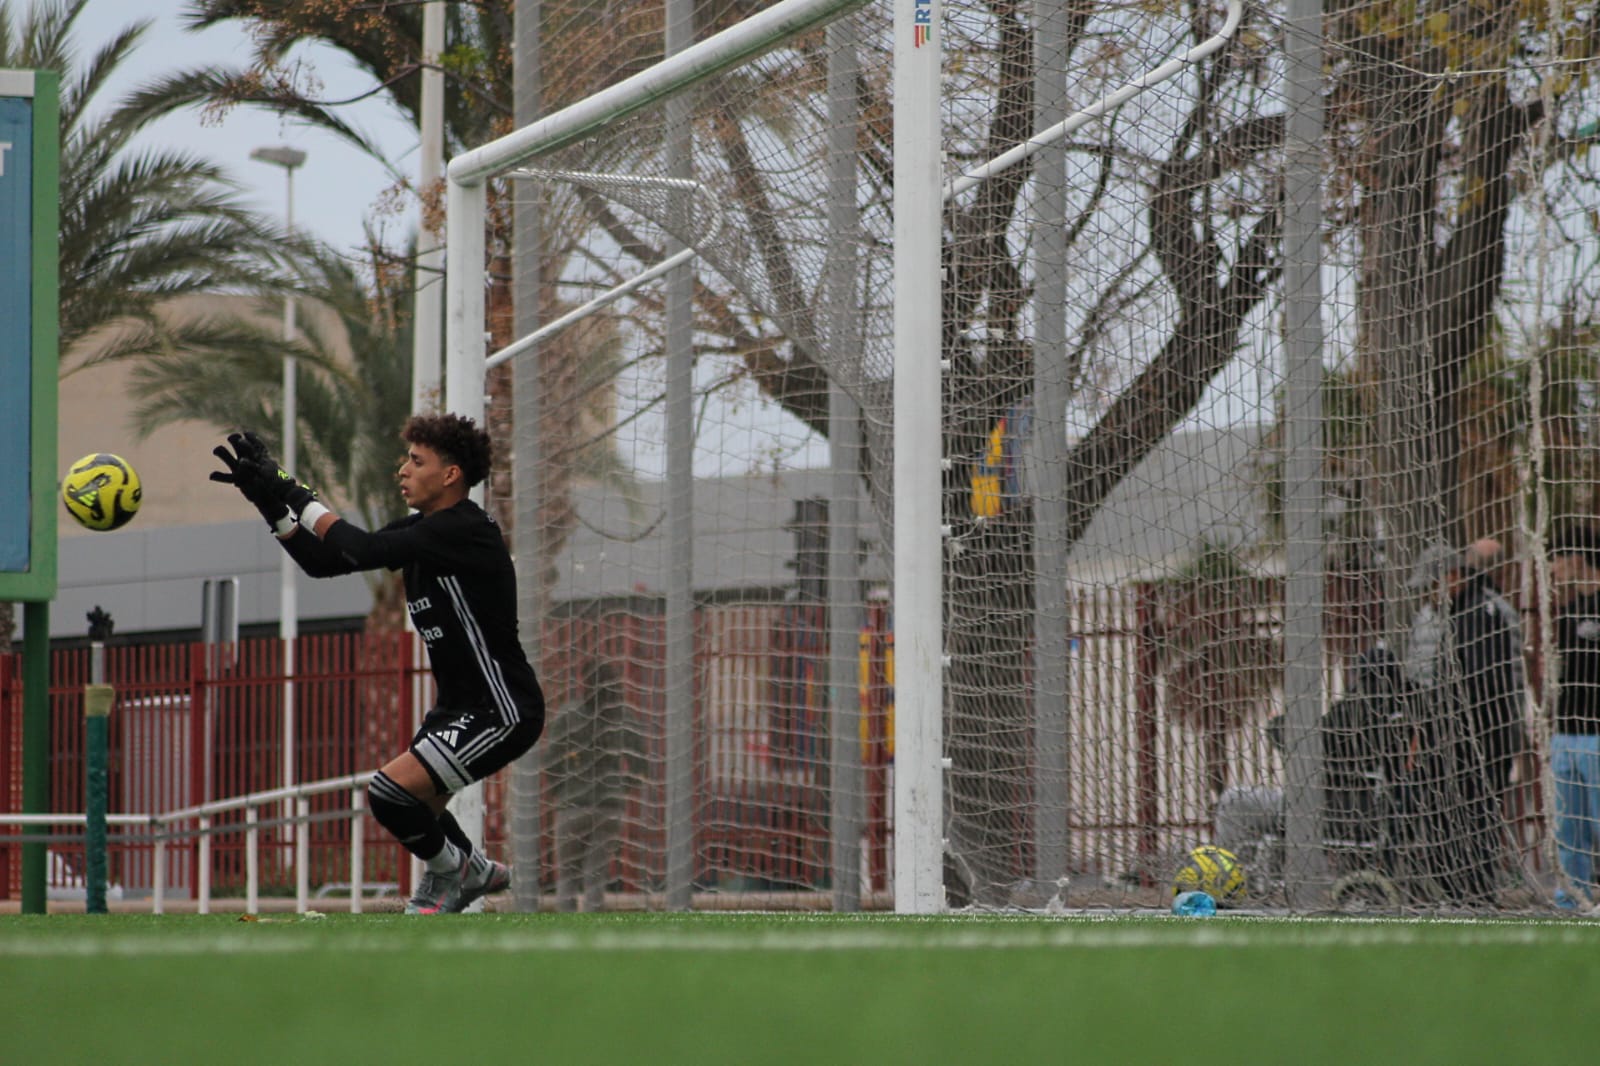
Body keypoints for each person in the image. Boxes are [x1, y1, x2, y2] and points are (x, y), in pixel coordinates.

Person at [210, 418, 545, 914]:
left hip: (503, 709)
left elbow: (359, 547)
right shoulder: (422, 532)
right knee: (409, 803)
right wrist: (269, 505)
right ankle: (467, 871)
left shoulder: (465, 529)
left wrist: (286, 485)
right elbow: (326, 561)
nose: (402, 469)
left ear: (450, 474)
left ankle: (457, 871)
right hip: (460, 708)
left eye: (416, 460)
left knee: (388, 792)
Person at [1403, 540, 1526, 904]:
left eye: (1431, 586)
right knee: (1452, 820)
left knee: (1472, 821)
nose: (1429, 596)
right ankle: (1457, 894)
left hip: (1479, 740)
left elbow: (1480, 684)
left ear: (1452, 577)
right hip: (1461, 737)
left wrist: (1435, 731)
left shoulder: (1482, 613)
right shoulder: (1459, 612)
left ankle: (1471, 898)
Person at [544, 657, 646, 911]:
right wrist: (622, 786)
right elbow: (641, 762)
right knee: (595, 878)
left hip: (572, 804)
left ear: (584, 683)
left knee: (567, 877)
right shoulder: (623, 716)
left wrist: (561, 790)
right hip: (609, 806)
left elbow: (550, 761)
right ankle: (594, 923)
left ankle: (565, 927)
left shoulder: (569, 714)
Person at [1548, 527, 1600, 909]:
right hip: (1565, 733)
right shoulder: (1567, 612)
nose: (1553, 567)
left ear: (1578, 557)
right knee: (1568, 828)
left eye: (1558, 558)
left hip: (1596, 734)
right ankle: (1572, 899)